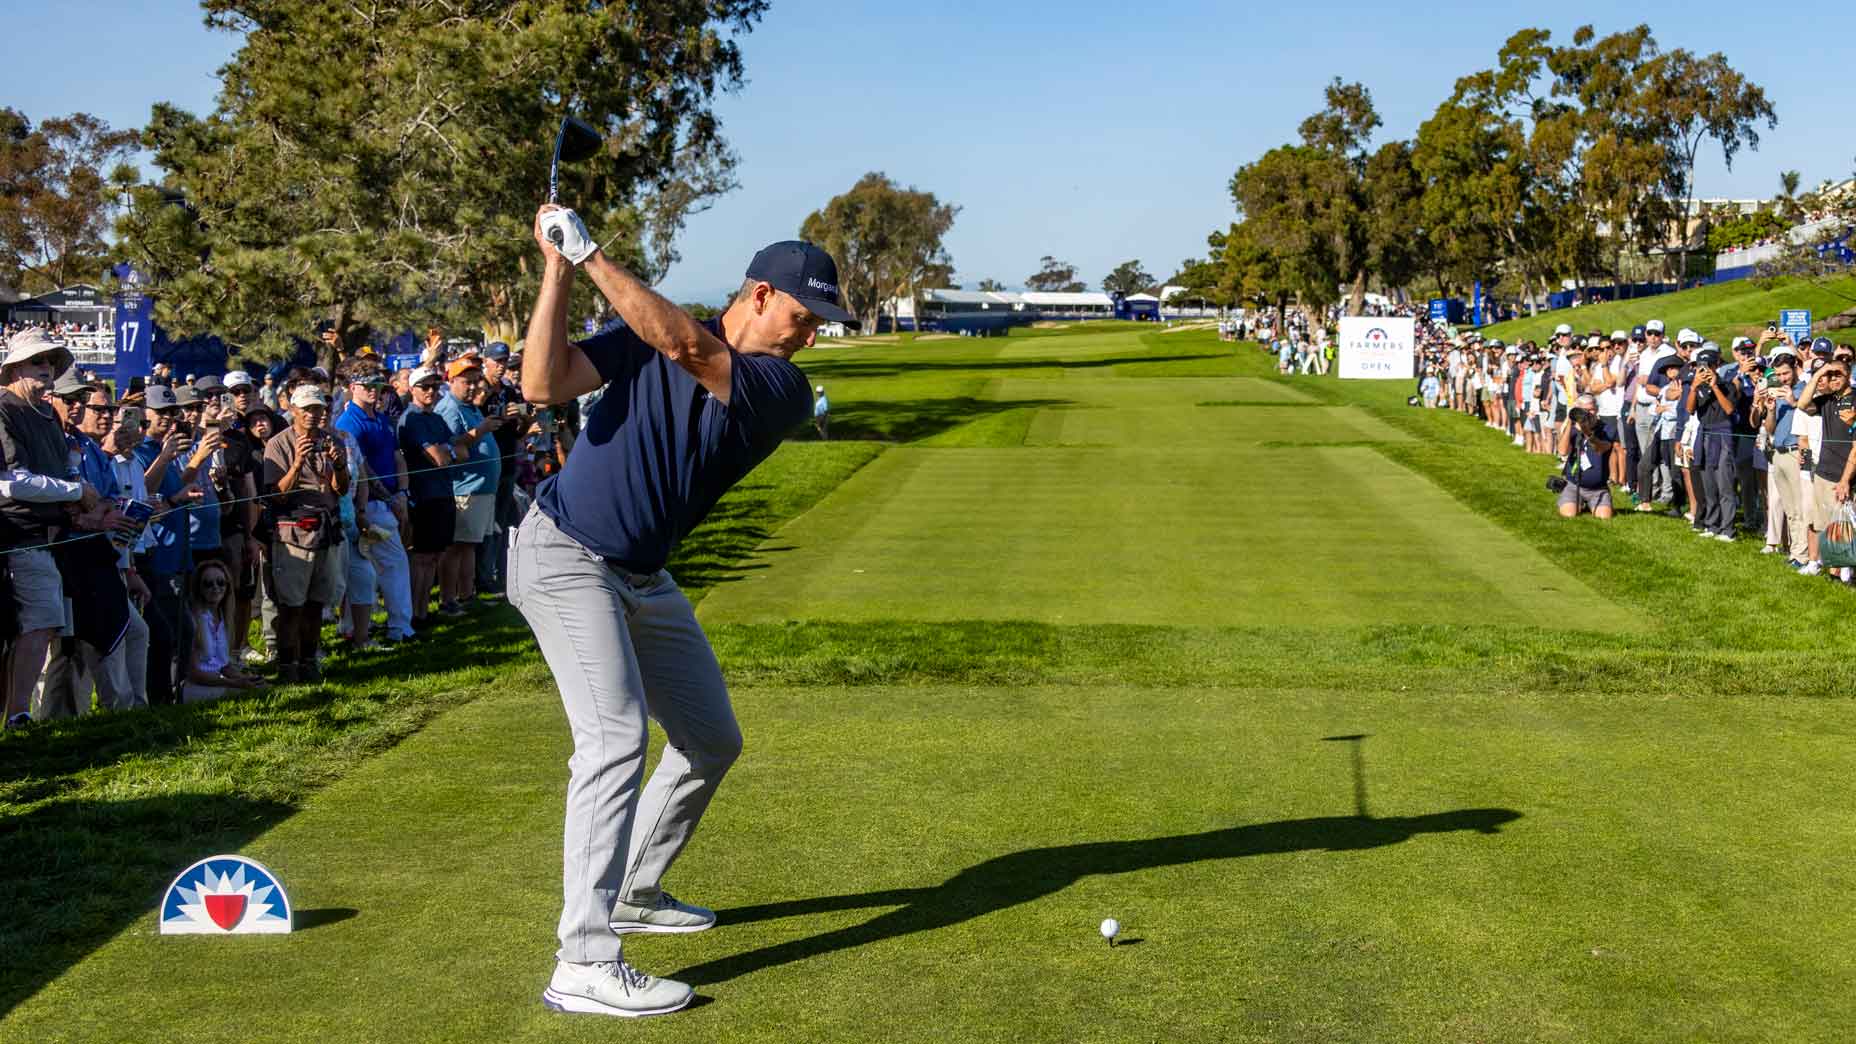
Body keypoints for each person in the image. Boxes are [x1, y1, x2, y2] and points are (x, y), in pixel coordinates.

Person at [512, 205, 854, 1017]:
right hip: (564, 555)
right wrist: (558, 270)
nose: (810, 338)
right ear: (760, 294)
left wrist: (591, 254)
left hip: (642, 575)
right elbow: (541, 385)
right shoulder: (650, 332)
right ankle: (583, 960)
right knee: (614, 740)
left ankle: (634, 889)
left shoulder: (781, 388)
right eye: (804, 318)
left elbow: (688, 349)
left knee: (710, 739)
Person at [0, 330, 105, 727]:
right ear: (15, 368)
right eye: (37, 361)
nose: (46, 368)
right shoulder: (4, 409)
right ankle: (18, 715)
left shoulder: (45, 414)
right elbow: (11, 483)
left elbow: (61, 473)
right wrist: (76, 490)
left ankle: (17, 714)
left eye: (50, 361)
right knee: (39, 622)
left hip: (50, 537)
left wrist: (78, 490)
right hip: (17, 534)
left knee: (41, 626)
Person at [261, 384, 350, 682]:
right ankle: (287, 666)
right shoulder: (278, 444)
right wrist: (297, 463)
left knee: (316, 604)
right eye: (307, 409)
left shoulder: (332, 440)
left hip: (326, 529)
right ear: (293, 410)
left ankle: (309, 662)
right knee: (291, 606)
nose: (313, 414)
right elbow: (276, 495)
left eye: (318, 409)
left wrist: (340, 465)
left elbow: (342, 489)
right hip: (293, 533)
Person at [334, 364, 414, 643]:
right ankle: (399, 628)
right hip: (366, 505)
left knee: (366, 570)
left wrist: (402, 492)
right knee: (390, 564)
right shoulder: (348, 422)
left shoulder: (381, 419)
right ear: (352, 387)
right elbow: (362, 468)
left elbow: (397, 457)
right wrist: (390, 498)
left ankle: (354, 628)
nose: (373, 390)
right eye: (366, 385)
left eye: (377, 385)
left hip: (387, 501)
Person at [431, 358, 503, 613]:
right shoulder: (449, 408)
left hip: (480, 489)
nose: (472, 387)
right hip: (464, 489)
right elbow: (451, 446)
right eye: (466, 382)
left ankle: (466, 594)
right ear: (451, 381)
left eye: (474, 382)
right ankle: (448, 600)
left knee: (469, 545)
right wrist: (481, 430)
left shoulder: (469, 407)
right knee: (455, 547)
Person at [396, 367, 455, 630]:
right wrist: (448, 450)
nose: (431, 391)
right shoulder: (412, 419)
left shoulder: (437, 418)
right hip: (423, 495)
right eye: (425, 386)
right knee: (420, 557)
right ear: (412, 389)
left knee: (434, 556)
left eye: (435, 386)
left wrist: (448, 450)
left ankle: (422, 611)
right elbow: (441, 457)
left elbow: (459, 451)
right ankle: (413, 614)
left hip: (442, 491)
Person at [1800, 358, 1856, 578]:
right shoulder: (1827, 400)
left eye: (1837, 374)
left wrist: (1845, 480)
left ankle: (1845, 572)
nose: (1833, 378)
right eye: (1829, 375)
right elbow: (1802, 404)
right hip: (1824, 471)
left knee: (1846, 525)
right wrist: (1818, 374)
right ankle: (1835, 571)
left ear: (1848, 375)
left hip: (1846, 474)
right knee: (1825, 525)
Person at [182, 560, 264, 702]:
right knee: (246, 694)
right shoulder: (193, 619)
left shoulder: (224, 616)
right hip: (196, 686)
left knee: (261, 687)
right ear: (198, 588)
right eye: (208, 583)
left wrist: (244, 678)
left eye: (221, 582)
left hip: (219, 682)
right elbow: (194, 674)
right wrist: (234, 683)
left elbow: (223, 666)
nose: (216, 587)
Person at [1557, 394, 1615, 519]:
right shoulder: (1572, 429)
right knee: (1569, 514)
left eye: (1591, 409)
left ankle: (1590, 504)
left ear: (1597, 409)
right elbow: (1562, 451)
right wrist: (1570, 422)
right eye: (1584, 410)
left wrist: (1587, 433)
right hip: (1573, 485)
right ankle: (1576, 501)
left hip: (1598, 488)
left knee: (1604, 517)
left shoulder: (1606, 428)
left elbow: (1600, 448)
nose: (1588, 413)